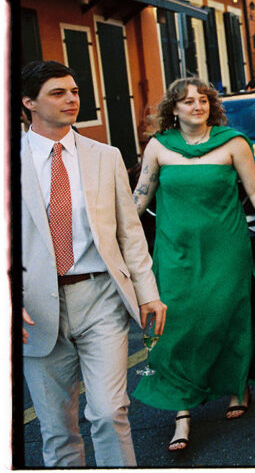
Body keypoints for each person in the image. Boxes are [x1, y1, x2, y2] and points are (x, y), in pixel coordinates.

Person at [20, 61, 166, 467]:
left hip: (101, 296)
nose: (71, 99)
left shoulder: (105, 156)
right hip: (34, 310)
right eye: (58, 93)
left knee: (108, 411)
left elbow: (129, 234)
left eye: (75, 91)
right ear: (28, 101)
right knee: (57, 430)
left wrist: (148, 294)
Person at [131, 77, 255, 452]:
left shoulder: (232, 142)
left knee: (225, 314)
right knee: (177, 324)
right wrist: (113, 239)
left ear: (211, 104)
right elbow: (139, 197)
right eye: (186, 101)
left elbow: (254, 189)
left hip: (226, 248)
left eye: (202, 100)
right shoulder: (159, 147)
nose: (196, 106)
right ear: (173, 109)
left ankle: (236, 383)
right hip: (175, 252)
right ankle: (181, 412)